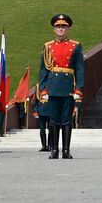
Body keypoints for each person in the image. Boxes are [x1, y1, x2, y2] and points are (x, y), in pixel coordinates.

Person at [38, 14, 84, 159]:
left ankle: (66, 150)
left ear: (68, 28)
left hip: (68, 87)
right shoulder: (48, 46)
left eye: (63, 27)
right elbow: (43, 70)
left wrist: (79, 89)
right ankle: (54, 150)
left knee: (66, 120)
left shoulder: (75, 46)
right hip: (52, 87)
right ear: (54, 29)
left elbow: (80, 69)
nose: (61, 29)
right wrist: (43, 88)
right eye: (58, 26)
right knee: (53, 120)